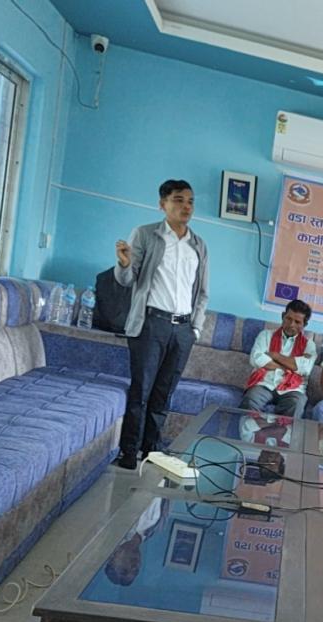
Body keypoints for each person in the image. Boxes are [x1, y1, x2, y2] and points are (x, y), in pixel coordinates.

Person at [113, 179, 209, 469]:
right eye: (179, 200)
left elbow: (202, 293)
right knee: (141, 391)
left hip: (183, 330)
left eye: (190, 201)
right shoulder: (145, 235)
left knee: (163, 394)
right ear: (162, 204)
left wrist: (195, 329)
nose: (186, 207)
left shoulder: (198, 245)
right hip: (151, 323)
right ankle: (129, 452)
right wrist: (124, 264)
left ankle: (151, 450)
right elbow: (126, 280)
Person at [241, 299, 314, 417]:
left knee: (296, 404)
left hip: (293, 389)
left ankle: (278, 430)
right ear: (283, 316)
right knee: (250, 400)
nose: (291, 325)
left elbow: (305, 369)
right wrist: (290, 366)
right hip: (264, 384)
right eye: (289, 319)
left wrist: (275, 355)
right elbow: (256, 359)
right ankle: (251, 430)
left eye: (297, 322)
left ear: (304, 325)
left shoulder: (309, 345)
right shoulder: (266, 335)